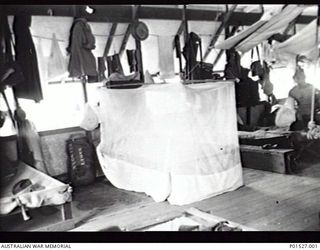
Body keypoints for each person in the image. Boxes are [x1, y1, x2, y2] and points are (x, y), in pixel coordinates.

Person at [288, 66, 320, 131]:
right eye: (297, 78)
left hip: (314, 115)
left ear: (305, 77)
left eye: (302, 77)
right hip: (301, 117)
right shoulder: (293, 92)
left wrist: (315, 107)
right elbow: (291, 107)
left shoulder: (313, 89)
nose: (300, 80)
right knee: (298, 132)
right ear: (294, 79)